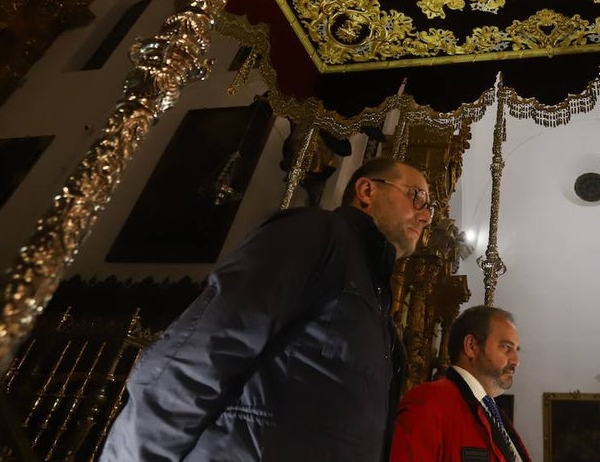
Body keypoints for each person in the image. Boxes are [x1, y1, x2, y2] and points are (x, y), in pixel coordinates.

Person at [99, 156, 434, 462]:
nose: (425, 215)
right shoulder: (319, 234)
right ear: (366, 191)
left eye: (429, 208)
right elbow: (203, 350)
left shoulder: (375, 298)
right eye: (416, 197)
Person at [390, 305, 531, 462]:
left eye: (516, 350)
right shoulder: (429, 401)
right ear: (471, 346)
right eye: (506, 347)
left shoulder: (492, 411)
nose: (516, 361)